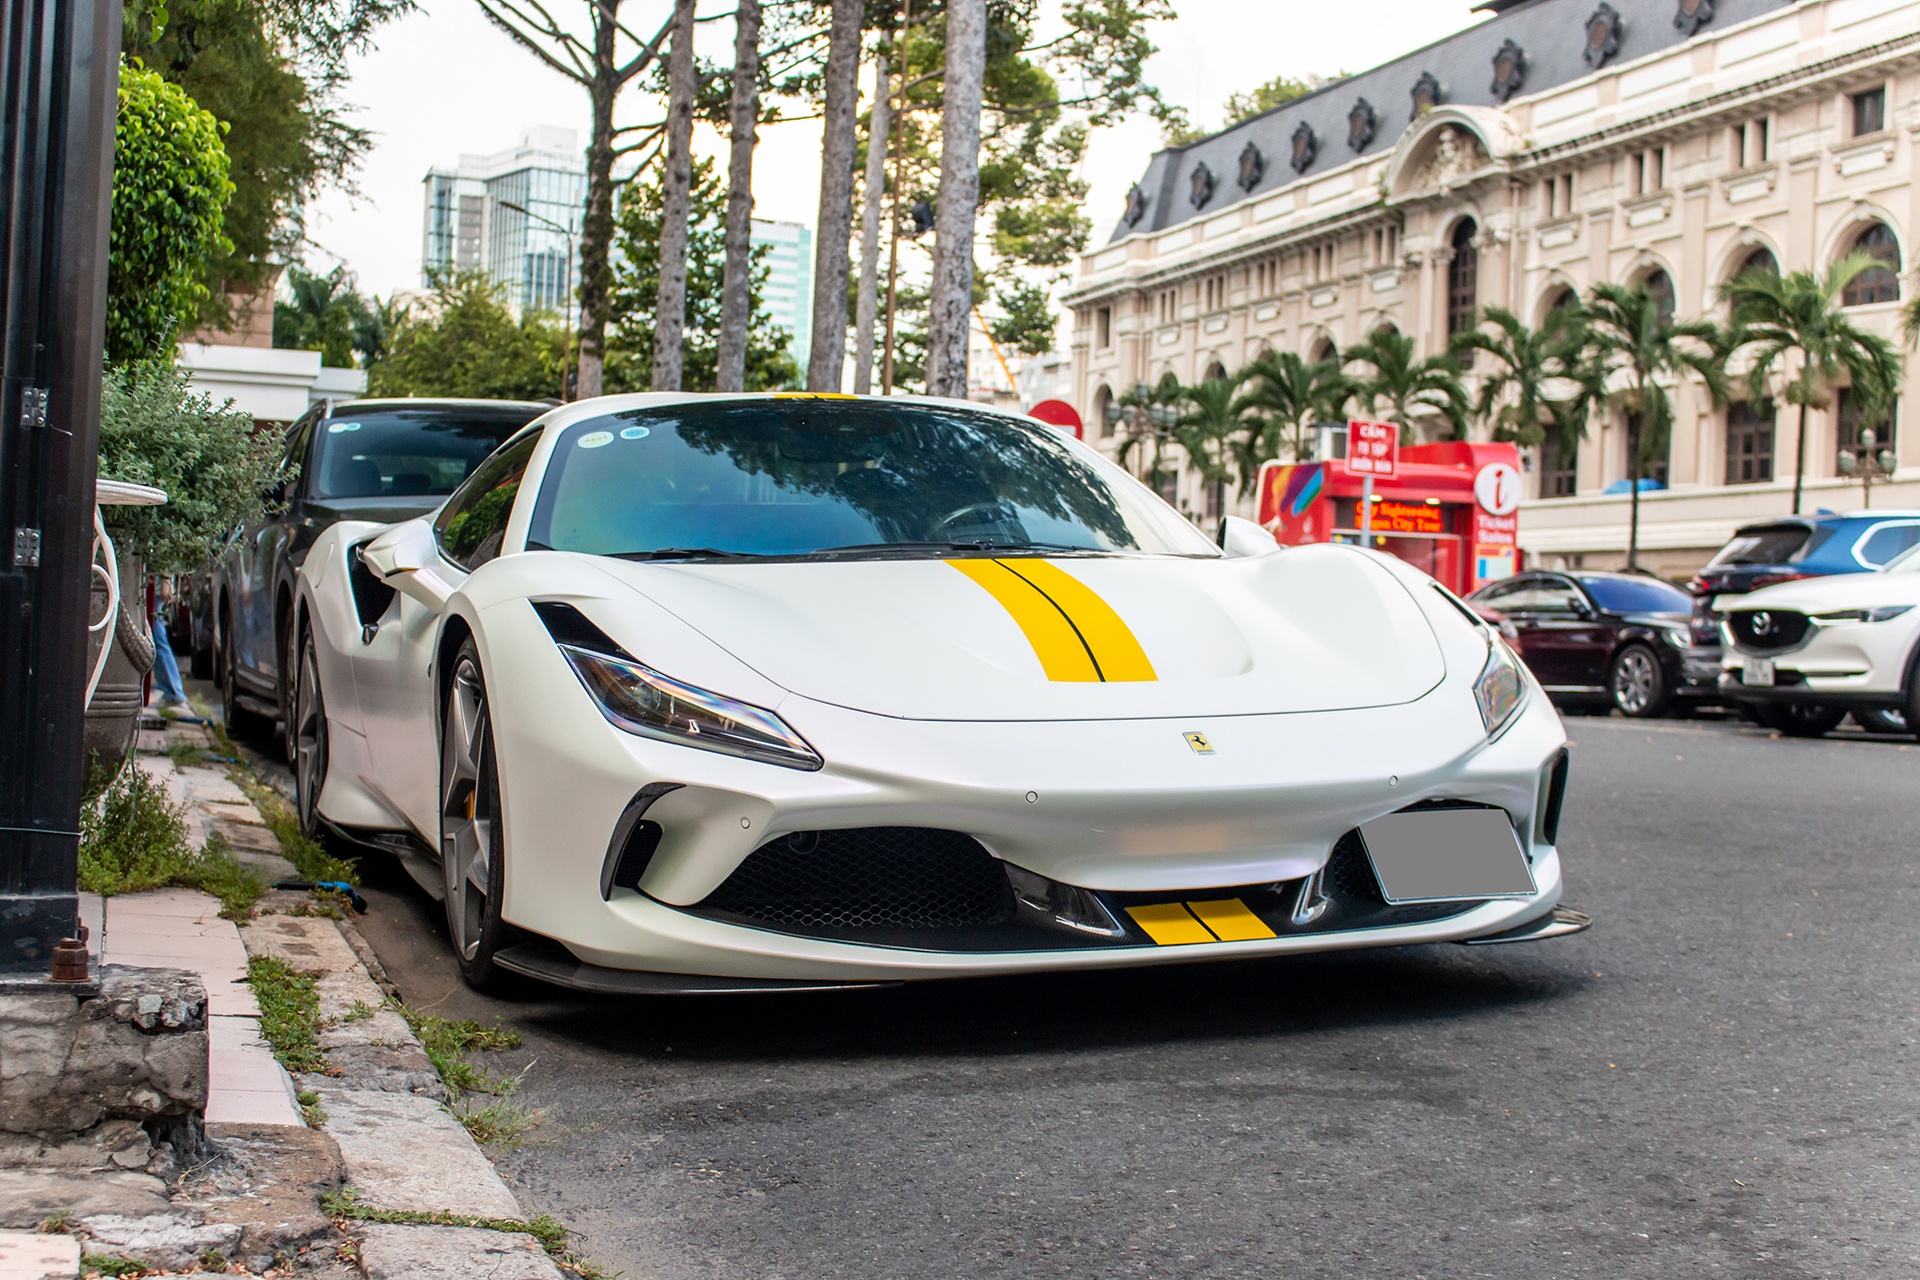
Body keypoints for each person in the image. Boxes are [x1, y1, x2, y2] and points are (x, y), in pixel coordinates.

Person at [149, 577, 188, 710]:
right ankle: (171, 690)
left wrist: (165, 583)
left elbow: (163, 557)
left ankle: (174, 691)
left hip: (154, 588)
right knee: (155, 638)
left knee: (157, 639)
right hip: (153, 587)